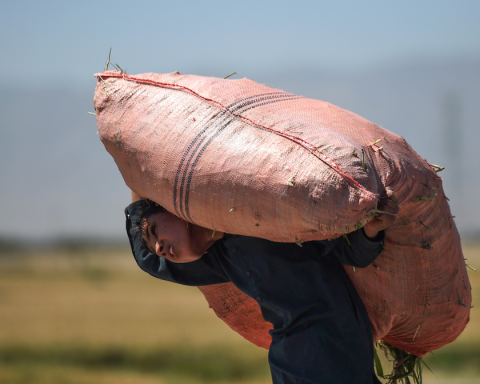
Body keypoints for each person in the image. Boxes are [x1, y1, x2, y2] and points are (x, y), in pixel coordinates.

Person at [125, 187, 399, 384]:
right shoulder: (217, 260)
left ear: (176, 209)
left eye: (155, 230)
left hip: (333, 350)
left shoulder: (258, 214)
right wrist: (134, 176)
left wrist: (372, 229)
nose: (159, 247)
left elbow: (350, 252)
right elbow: (149, 259)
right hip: (288, 365)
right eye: (155, 245)